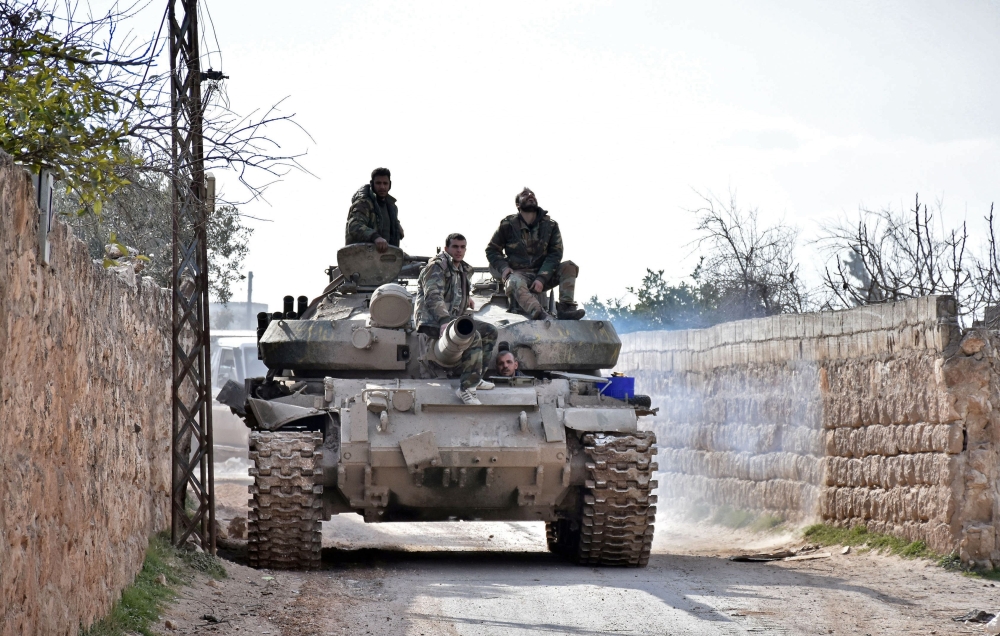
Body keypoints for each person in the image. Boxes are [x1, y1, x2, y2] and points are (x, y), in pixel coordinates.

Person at [414, 233, 498, 405]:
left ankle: (476, 377)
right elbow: (433, 296)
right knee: (472, 335)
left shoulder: (461, 269)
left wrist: (466, 298)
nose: (459, 250)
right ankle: (466, 389)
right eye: (455, 247)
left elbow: (454, 290)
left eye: (462, 247)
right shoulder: (436, 267)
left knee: (490, 331)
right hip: (433, 321)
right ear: (446, 249)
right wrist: (444, 320)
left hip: (451, 319)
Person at [485, 187, 585, 320]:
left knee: (569, 266)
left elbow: (555, 254)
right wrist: (504, 268)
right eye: (525, 194)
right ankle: (538, 313)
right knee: (513, 281)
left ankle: (565, 308)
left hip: (543, 273)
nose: (530, 195)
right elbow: (492, 250)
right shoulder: (508, 225)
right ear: (518, 204)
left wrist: (541, 278)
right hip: (518, 273)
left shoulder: (550, 226)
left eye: (532, 194)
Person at [345, 167, 403, 252]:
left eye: (385, 183)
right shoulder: (364, 203)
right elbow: (354, 225)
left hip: (386, 257)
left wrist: (397, 226)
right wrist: (375, 237)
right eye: (378, 183)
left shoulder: (392, 207)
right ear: (372, 184)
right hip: (364, 255)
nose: (382, 187)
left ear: (389, 185)